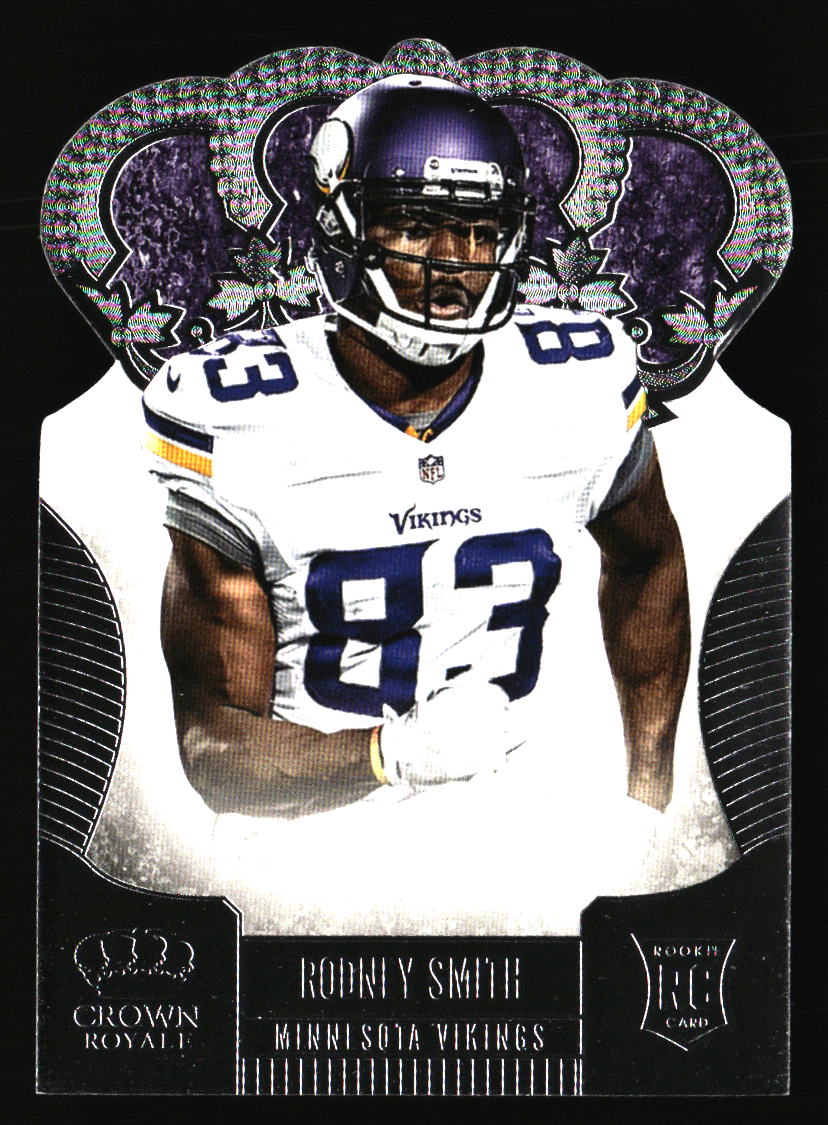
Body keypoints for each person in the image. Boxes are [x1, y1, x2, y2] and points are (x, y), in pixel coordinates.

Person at [143, 74, 690, 821]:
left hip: (525, 846)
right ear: (341, 228)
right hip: (304, 857)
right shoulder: (239, 416)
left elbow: (649, 560)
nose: (454, 261)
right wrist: (389, 753)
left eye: (481, 229)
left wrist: (647, 800)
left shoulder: (577, 380)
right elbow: (216, 749)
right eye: (413, 223)